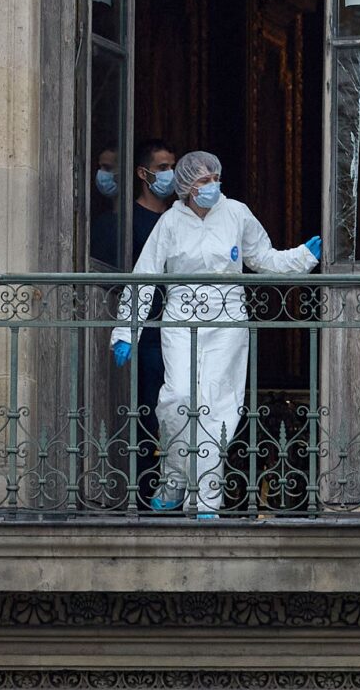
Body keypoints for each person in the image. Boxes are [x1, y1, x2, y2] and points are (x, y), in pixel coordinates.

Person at [114, 151, 319, 519]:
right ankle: (174, 479)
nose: (210, 186)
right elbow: (144, 275)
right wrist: (126, 330)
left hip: (227, 320)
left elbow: (264, 259)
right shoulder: (170, 222)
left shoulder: (236, 213)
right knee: (177, 398)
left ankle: (205, 498)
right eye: (202, 180)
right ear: (185, 185)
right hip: (180, 319)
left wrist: (303, 256)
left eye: (214, 179)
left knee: (217, 407)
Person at [115, 139, 179, 505]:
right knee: (147, 414)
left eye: (173, 166)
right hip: (147, 331)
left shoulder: (177, 218)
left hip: (179, 326)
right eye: (163, 166)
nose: (169, 174)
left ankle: (174, 490)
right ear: (144, 173)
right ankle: (142, 493)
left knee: (179, 410)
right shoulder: (128, 220)